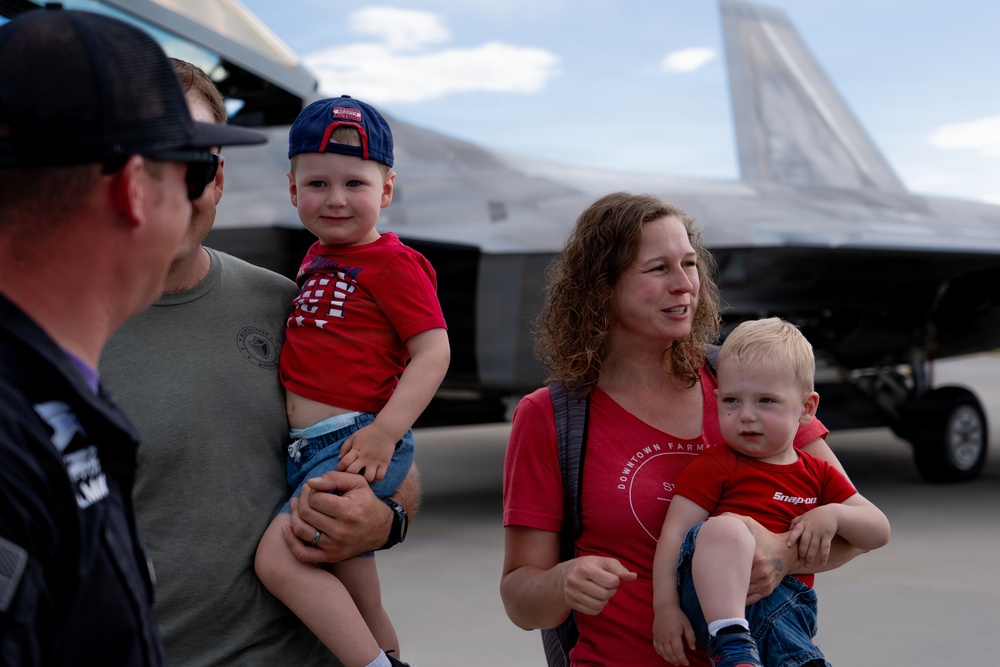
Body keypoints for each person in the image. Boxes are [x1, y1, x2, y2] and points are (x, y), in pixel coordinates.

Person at [100, 64, 421, 666]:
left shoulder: (292, 306)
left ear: (218, 179)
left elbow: (387, 453)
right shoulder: (42, 336)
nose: (167, 190)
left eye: (190, 163)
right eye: (144, 160)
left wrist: (384, 519)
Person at [0, 8, 267, 666]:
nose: (201, 196)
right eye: (193, 171)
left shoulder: (47, 398)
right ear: (134, 191)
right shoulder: (17, 435)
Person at [501, 192, 869, 667]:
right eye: (658, 269)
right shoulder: (552, 416)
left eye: (690, 264)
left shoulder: (748, 382)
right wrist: (560, 582)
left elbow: (854, 526)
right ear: (601, 288)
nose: (684, 285)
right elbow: (519, 597)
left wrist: (782, 556)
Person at [253, 95, 449, 667]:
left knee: (278, 559)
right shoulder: (316, 259)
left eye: (354, 184)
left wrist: (386, 434)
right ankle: (388, 654)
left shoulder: (394, 264)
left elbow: (433, 352)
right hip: (314, 446)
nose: (335, 199)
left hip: (354, 440)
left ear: (385, 191)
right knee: (357, 585)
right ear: (293, 191)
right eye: (317, 184)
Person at [651, 318, 890, 667]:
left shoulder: (818, 472)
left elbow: (878, 531)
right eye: (732, 401)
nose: (746, 415)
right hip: (713, 601)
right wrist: (666, 607)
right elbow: (673, 535)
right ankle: (733, 648)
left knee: (781, 624)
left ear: (807, 409)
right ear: (716, 400)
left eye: (765, 401)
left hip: (791, 601)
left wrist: (834, 514)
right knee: (727, 527)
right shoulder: (715, 465)